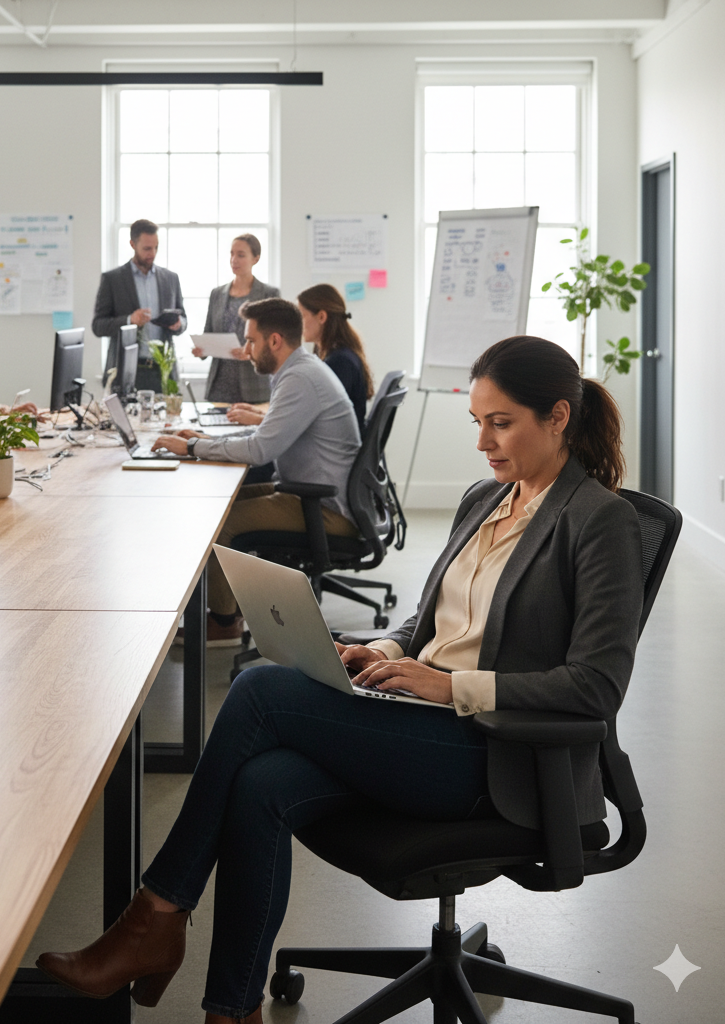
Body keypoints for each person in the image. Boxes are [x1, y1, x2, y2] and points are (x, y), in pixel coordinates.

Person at [34, 336, 643, 1024]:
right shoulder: (487, 498)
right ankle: (231, 1011)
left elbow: (596, 686)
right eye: (477, 422)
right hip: (424, 721)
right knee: (262, 785)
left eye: (500, 424)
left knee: (260, 692)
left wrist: (451, 687)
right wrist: (379, 649)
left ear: (558, 417)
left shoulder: (600, 521)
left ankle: (155, 917)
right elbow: (430, 619)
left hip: (497, 752)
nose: (482, 442)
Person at [152, 297, 361, 646]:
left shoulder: (300, 378)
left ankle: (224, 623)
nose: (246, 350)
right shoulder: (299, 369)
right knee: (222, 505)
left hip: (325, 509)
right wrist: (208, 440)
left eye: (251, 340)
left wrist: (192, 447)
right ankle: (229, 608)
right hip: (309, 492)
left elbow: (259, 450)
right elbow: (265, 434)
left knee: (219, 523)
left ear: (274, 340)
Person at [93, 218, 187, 393]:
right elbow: (98, 326)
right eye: (147, 248)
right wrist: (130, 320)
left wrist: (179, 323)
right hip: (126, 371)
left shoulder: (170, 279)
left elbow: (183, 318)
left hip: (163, 372)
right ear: (132, 244)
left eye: (156, 247)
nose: (152, 253)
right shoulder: (113, 279)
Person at [192, 234, 279, 405]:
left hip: (254, 386)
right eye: (232, 254)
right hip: (220, 386)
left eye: (241, 255)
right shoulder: (217, 294)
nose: (234, 260)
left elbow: (274, 340)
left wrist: (251, 353)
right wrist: (202, 350)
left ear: (256, 258)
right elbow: (209, 332)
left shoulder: (268, 294)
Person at [297, 283, 374, 432]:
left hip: (338, 443)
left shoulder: (339, 362)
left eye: (302, 316)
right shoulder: (339, 354)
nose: (298, 324)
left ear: (321, 317)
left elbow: (317, 418)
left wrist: (261, 419)